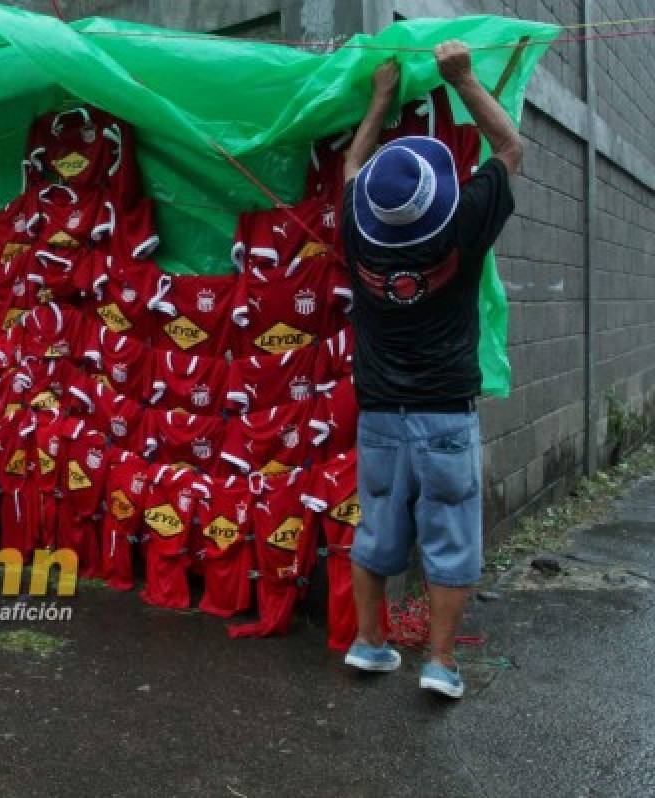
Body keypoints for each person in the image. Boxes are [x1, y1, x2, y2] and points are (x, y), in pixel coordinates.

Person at [339, 41, 521, 698]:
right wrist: (464, 78)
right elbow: (509, 149)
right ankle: (440, 664)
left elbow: (354, 168)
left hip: (381, 415)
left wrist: (379, 99)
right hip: (446, 415)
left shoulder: (359, 231)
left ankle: (369, 643)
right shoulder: (464, 224)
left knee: (376, 529)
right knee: (451, 538)